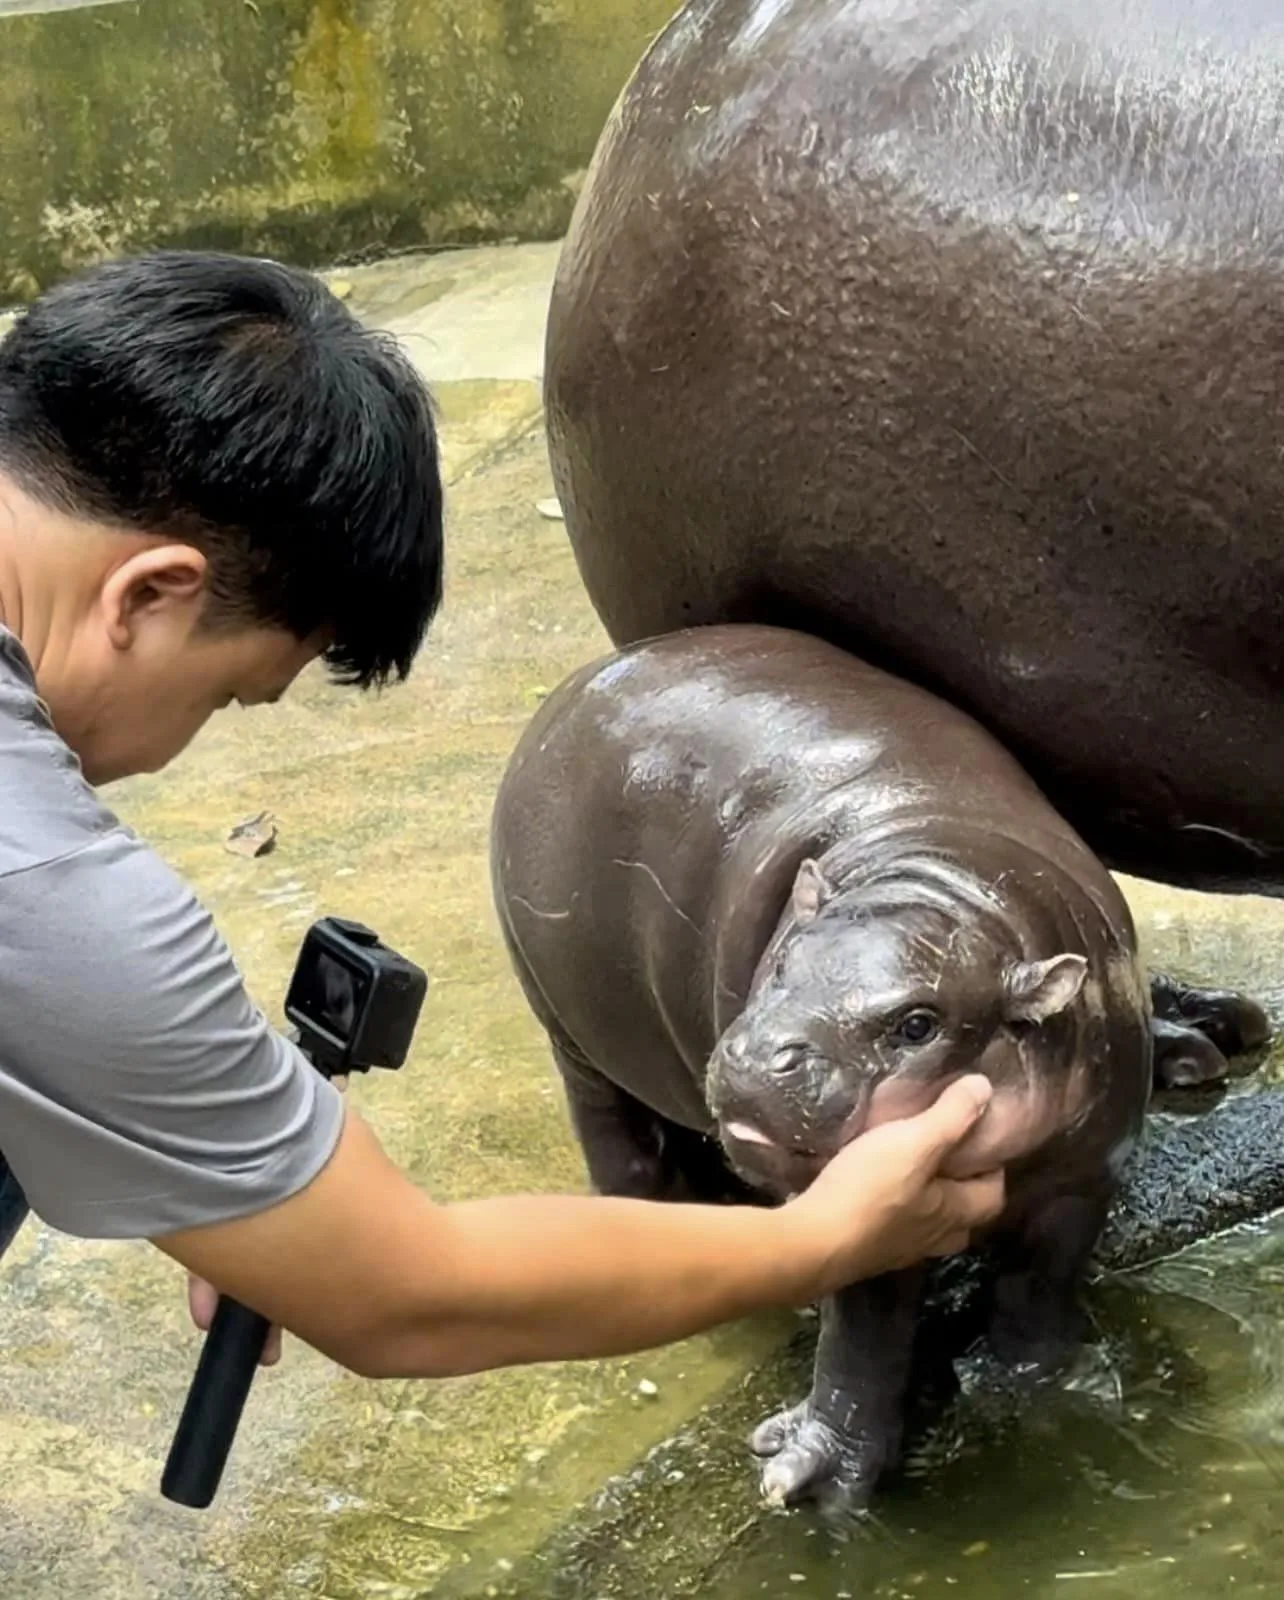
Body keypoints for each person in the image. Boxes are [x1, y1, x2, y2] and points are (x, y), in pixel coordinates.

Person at [0, 250, 1004, 1385]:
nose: (186, 742)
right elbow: (409, 1296)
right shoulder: (42, 880)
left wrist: (230, 1176)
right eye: (227, 695)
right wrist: (824, 1237)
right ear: (151, 595)